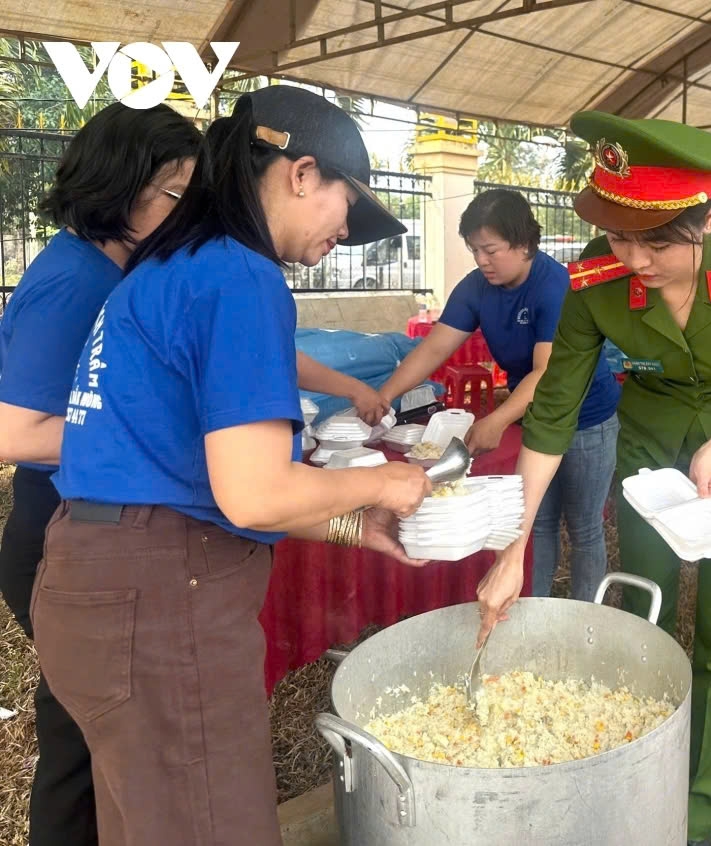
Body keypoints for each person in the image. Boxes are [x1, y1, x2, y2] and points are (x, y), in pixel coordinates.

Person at [29, 86, 431, 846]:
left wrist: (350, 520)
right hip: (159, 602)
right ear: (301, 173)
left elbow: (198, 477)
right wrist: (387, 480)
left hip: (99, 579)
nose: (346, 231)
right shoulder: (240, 277)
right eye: (348, 204)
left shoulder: (171, 266)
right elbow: (253, 492)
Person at [474, 112, 711, 846]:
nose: (633, 258)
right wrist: (512, 549)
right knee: (640, 613)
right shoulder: (594, 282)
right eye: (619, 235)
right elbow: (554, 412)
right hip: (651, 446)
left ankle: (698, 811)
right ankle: (631, 776)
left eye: (657, 241)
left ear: (708, 219)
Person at [0, 103, 200, 846]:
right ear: (123, 183)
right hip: (58, 532)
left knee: (87, 732)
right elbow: (15, 430)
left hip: (78, 530)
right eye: (178, 194)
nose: (186, 213)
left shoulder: (109, 269)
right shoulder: (76, 280)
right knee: (82, 744)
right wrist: (151, 438)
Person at [378, 188, 620, 600]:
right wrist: (384, 395)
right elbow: (435, 347)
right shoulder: (476, 288)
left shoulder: (554, 285)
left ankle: (586, 616)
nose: (481, 260)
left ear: (524, 243)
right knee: (533, 524)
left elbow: (548, 372)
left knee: (584, 527)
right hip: (535, 419)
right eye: (474, 250)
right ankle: (534, 606)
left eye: (490, 249)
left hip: (587, 418)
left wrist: (498, 418)